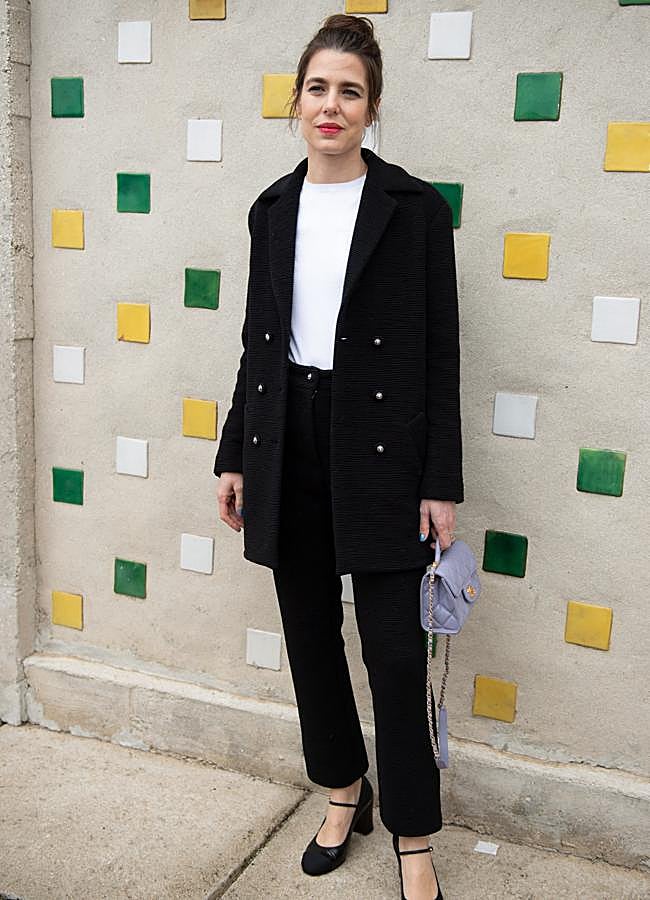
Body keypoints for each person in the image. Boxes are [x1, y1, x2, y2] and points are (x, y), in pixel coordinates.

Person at [214, 14, 464, 900]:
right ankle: (342, 788)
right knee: (310, 635)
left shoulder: (415, 210)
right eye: (318, 87)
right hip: (287, 438)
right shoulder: (273, 208)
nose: (332, 105)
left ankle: (414, 830)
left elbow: (441, 352)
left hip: (383, 446)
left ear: (373, 107)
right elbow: (258, 340)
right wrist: (234, 453)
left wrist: (441, 481)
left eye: (349, 91)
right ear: (296, 101)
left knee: (393, 648)